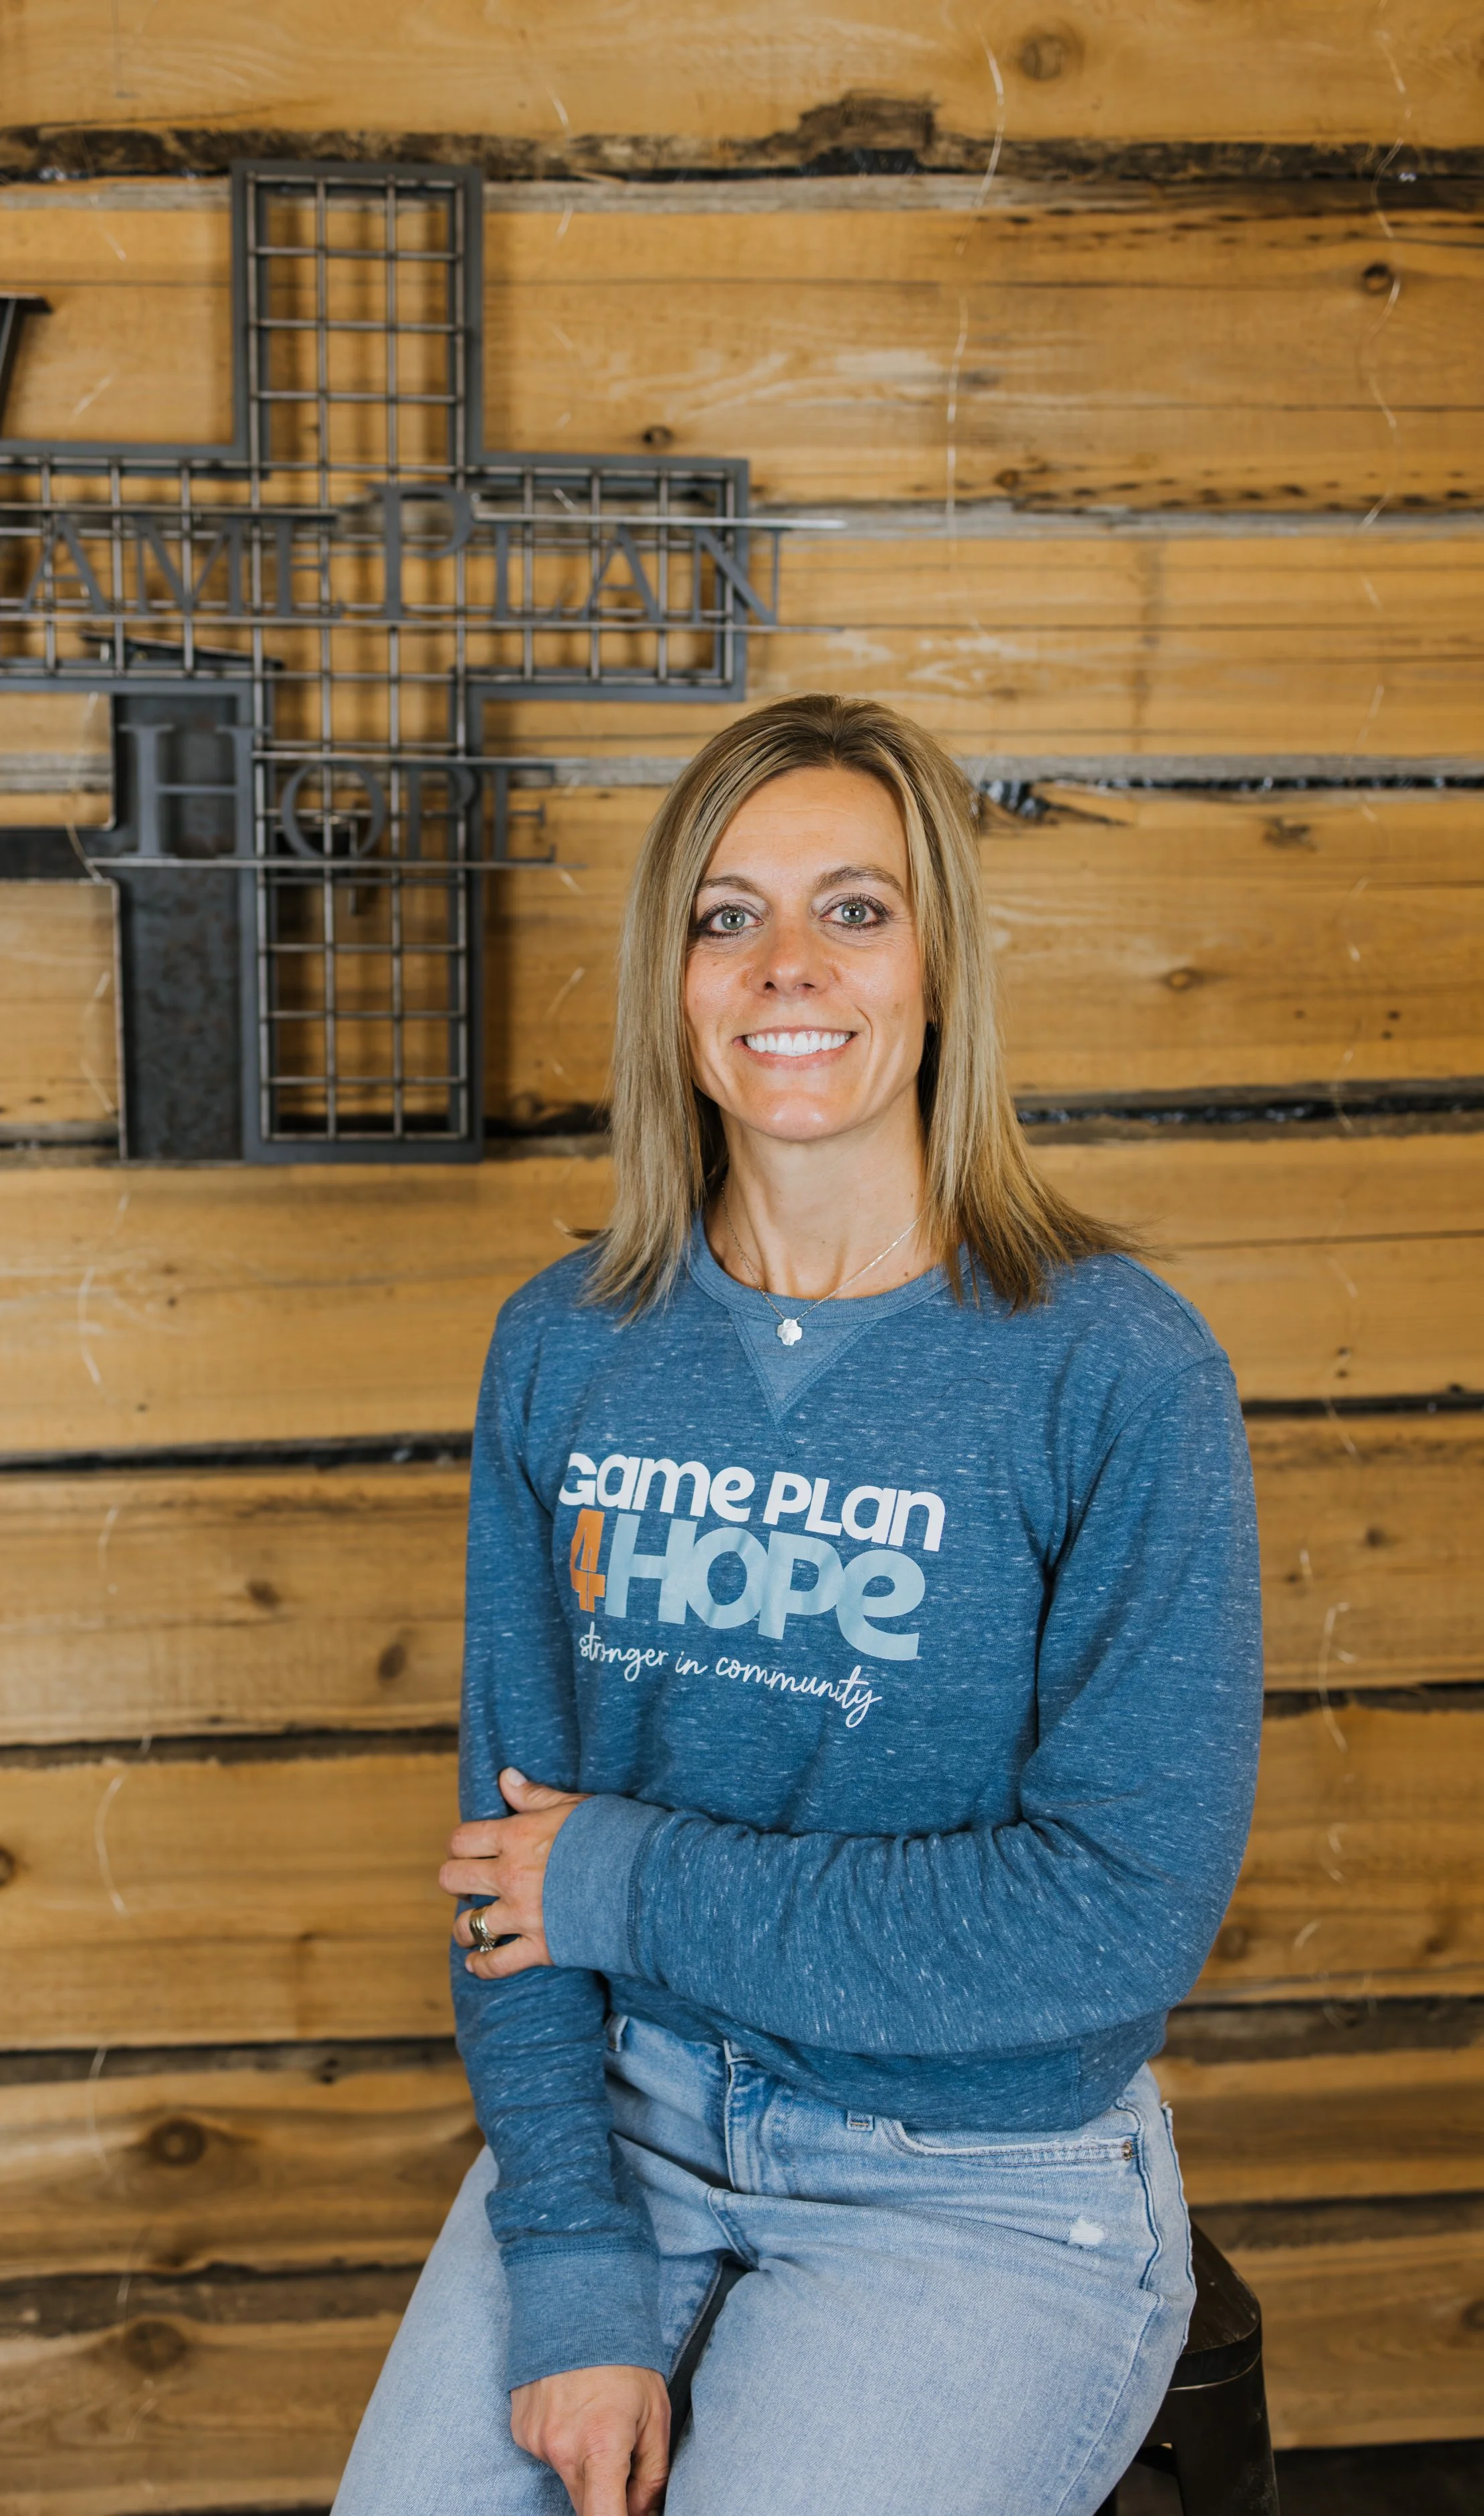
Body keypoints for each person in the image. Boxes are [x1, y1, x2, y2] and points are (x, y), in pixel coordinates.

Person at [332, 694, 1263, 2516]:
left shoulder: (1111, 1366)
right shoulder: (570, 1348)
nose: (783, 966)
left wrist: (629, 1876)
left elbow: (1112, 1916)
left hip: (979, 2173)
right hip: (623, 2119)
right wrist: (578, 2274)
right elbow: (502, 1872)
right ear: (669, 977)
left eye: (853, 909)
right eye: (722, 912)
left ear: (936, 969)